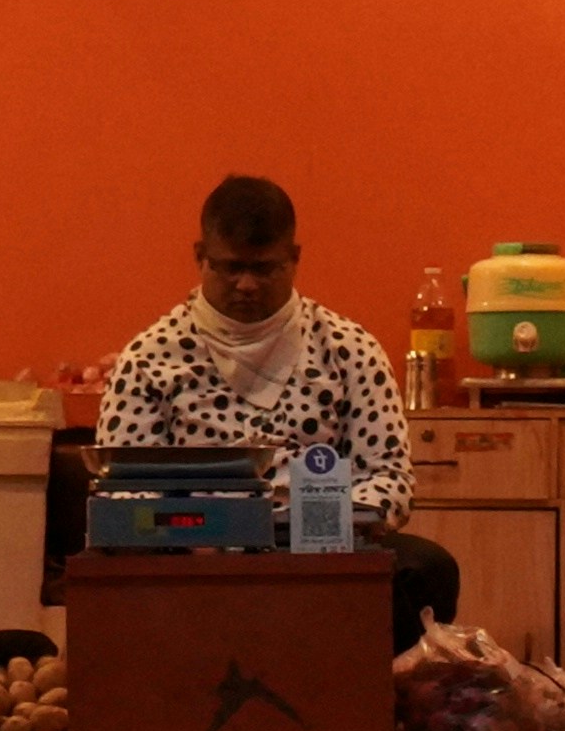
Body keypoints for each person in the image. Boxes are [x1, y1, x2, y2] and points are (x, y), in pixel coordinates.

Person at [92, 171, 461, 646]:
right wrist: (189, 535)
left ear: (295, 258)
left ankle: (373, 714)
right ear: (199, 257)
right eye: (229, 268)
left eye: (265, 269)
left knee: (427, 569)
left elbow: (389, 478)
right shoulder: (150, 358)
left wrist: (322, 526)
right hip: (192, 556)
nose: (246, 285)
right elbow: (120, 490)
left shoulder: (348, 349)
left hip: (322, 550)